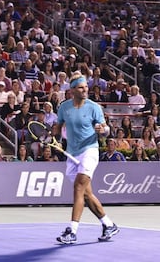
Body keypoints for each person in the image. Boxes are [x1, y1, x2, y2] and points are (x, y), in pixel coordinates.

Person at [56, 74, 118, 244]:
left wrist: (102, 130)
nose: (85, 90)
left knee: (78, 187)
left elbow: (105, 129)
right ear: (72, 90)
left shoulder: (94, 107)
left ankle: (72, 231)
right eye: (81, 87)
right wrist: (51, 138)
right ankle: (108, 224)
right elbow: (58, 127)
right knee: (87, 194)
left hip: (89, 151)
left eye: (86, 87)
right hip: (71, 153)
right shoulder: (64, 108)